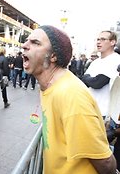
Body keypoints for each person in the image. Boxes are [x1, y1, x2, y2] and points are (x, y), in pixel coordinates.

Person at [21, 25, 116, 173]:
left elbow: (105, 161)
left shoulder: (70, 94)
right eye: (27, 41)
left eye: (35, 42)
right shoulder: (50, 86)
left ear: (53, 56)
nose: (24, 45)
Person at [81, 30, 120, 170]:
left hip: (104, 115)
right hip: (88, 110)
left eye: (103, 39)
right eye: (97, 39)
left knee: (98, 155)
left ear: (112, 42)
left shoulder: (116, 60)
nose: (98, 42)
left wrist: (90, 79)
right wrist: (90, 79)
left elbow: (98, 82)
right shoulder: (96, 62)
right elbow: (84, 80)